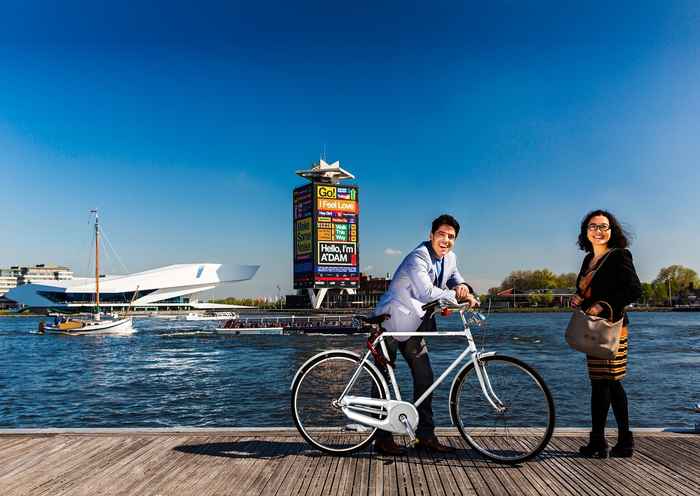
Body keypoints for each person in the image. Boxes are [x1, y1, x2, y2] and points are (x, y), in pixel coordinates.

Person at [371, 214, 479, 455]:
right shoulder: (418, 257)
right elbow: (426, 291)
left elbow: (455, 279)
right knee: (382, 382)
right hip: (389, 322)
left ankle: (425, 436)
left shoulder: (450, 257)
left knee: (425, 378)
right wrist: (457, 297)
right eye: (441, 234)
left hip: (413, 325)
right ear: (431, 236)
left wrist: (465, 288)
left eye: (451, 237)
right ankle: (381, 439)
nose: (446, 240)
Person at [571, 210, 641, 458]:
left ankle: (624, 440)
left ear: (612, 231)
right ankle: (599, 441)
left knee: (611, 382)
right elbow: (586, 289)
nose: (598, 231)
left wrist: (603, 304)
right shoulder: (588, 259)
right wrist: (579, 298)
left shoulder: (620, 256)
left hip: (613, 328)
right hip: (593, 329)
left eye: (604, 226)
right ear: (585, 231)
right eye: (593, 226)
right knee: (598, 384)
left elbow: (634, 290)